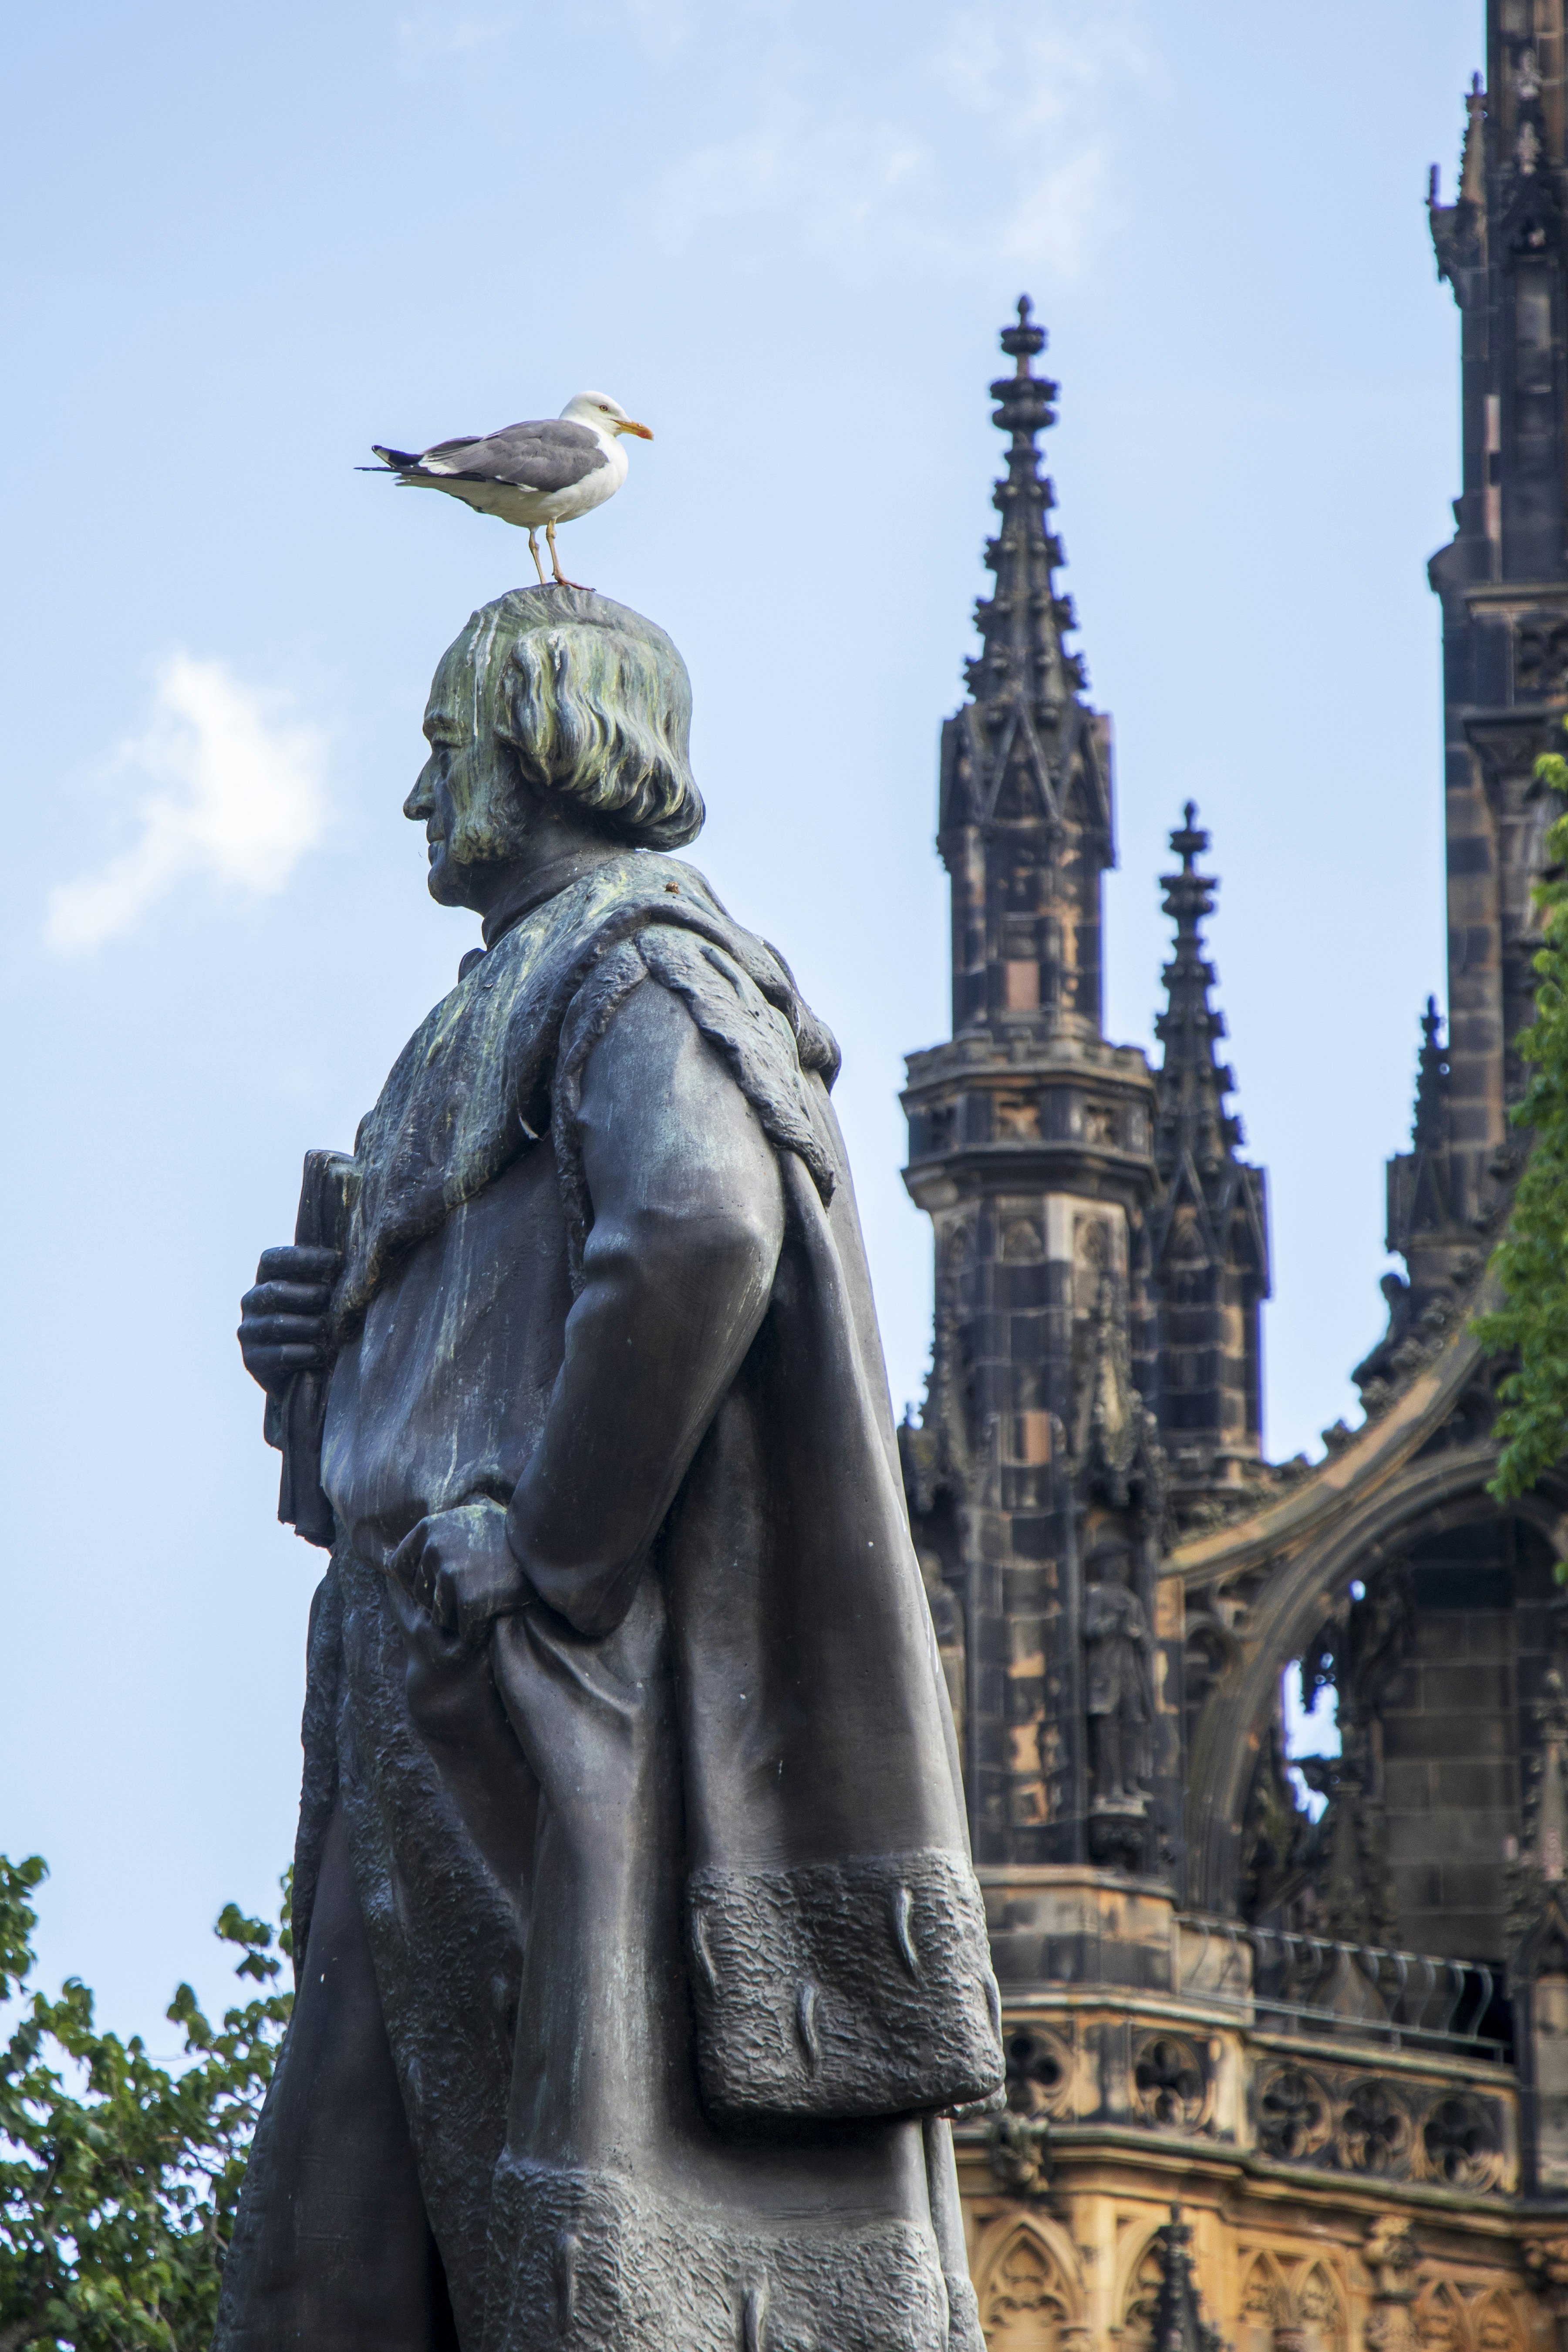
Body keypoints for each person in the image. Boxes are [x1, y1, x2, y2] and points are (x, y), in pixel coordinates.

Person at [223, 585, 1001, 2352]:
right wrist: (326, 1349)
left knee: (579, 2237)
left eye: (444, 751)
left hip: (555, 1712)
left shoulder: (643, 965)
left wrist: (556, 1550)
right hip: (419, 1703)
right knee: (346, 2248)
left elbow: (696, 1231)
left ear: (545, 740)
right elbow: (492, 1336)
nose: (421, 800)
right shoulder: (500, 996)